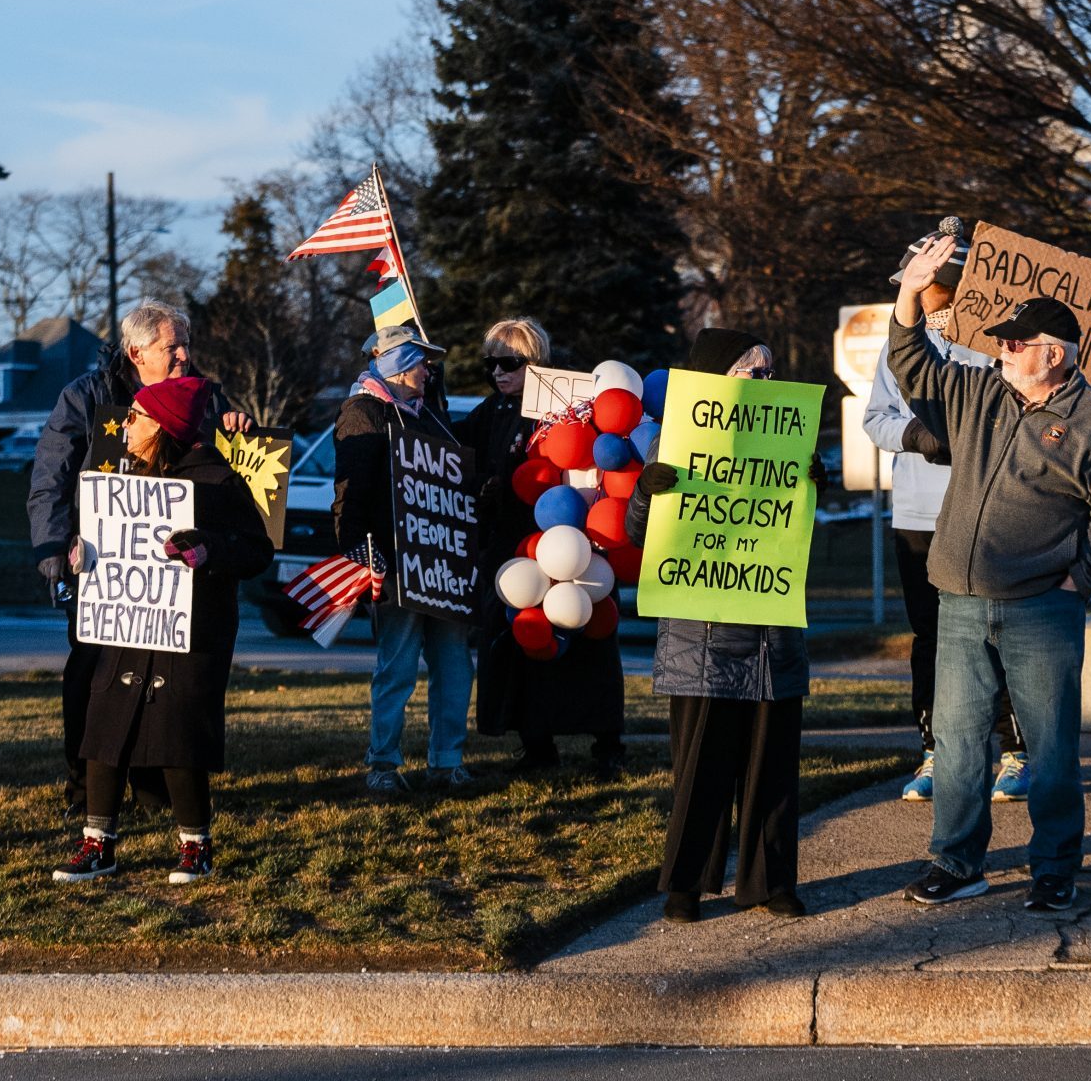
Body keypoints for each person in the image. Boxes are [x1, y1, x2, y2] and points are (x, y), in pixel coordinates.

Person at [885, 234, 1091, 913]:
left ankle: (1054, 869)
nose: (1000, 348)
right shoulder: (981, 392)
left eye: (1015, 342)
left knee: (1051, 749)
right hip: (960, 602)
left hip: (1042, 610)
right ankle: (957, 863)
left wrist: (1080, 579)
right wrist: (910, 291)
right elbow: (912, 365)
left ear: (1053, 355)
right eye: (1003, 340)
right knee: (958, 742)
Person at [26, 298, 244, 821]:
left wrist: (239, 428)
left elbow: (236, 479)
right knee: (93, 678)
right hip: (101, 568)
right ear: (136, 353)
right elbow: (51, 478)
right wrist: (53, 550)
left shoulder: (206, 397)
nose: (184, 356)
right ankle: (86, 793)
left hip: (171, 581)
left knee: (160, 686)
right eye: (172, 347)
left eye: (186, 345)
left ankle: (153, 793)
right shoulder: (86, 397)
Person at [55, 376, 276, 883]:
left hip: (192, 633)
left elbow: (257, 550)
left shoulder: (217, 482)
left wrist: (208, 549)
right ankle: (98, 843)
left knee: (179, 733)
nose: (125, 426)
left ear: (164, 428)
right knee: (104, 726)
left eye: (137, 418)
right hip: (127, 626)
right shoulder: (122, 481)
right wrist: (82, 553)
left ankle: (196, 844)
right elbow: (99, 537)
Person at [632, 327, 810, 921]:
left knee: (772, 767)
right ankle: (685, 885)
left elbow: (794, 539)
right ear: (717, 380)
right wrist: (647, 493)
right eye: (754, 371)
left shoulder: (787, 441)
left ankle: (771, 882)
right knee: (700, 768)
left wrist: (808, 486)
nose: (766, 380)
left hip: (772, 634)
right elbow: (638, 534)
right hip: (700, 637)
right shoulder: (676, 440)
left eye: (770, 371)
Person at [862, 223, 1029, 803]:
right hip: (916, 516)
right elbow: (875, 418)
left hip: (985, 510)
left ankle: (1015, 752)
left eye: (922, 280)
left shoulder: (998, 344)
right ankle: (935, 751)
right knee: (930, 636)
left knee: (995, 632)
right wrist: (916, 435)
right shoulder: (897, 343)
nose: (909, 289)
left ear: (954, 282)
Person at [467, 318, 627, 774]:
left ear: (534, 362)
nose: (498, 373)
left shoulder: (571, 407)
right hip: (515, 551)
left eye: (509, 363)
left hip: (576, 547)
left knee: (590, 639)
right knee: (525, 642)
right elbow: (459, 452)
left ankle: (607, 744)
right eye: (490, 364)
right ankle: (536, 745)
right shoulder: (490, 412)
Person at [336, 325, 477, 795]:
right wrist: (358, 552)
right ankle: (383, 763)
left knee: (454, 664)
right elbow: (350, 492)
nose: (428, 371)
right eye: (420, 363)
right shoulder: (364, 413)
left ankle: (447, 761)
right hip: (396, 564)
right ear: (396, 365)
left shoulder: (429, 414)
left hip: (443, 564)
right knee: (397, 666)